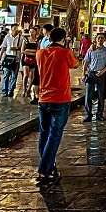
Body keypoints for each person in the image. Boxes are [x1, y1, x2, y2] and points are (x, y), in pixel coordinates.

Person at [35, 27, 78, 184]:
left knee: (44, 133)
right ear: (64, 38)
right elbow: (75, 64)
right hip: (60, 98)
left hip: (43, 99)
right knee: (54, 134)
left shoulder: (40, 53)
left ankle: (50, 168)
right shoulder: (65, 53)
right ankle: (44, 170)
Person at [82, 33, 106, 122]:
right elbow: (86, 62)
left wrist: (102, 72)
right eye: (99, 38)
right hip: (91, 73)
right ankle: (88, 115)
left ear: (104, 40)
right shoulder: (91, 50)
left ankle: (99, 114)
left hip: (101, 74)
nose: (100, 40)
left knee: (101, 95)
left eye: (102, 38)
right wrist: (83, 74)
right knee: (88, 95)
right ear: (96, 39)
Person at [0, 24, 23, 97]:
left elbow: (22, 48)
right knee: (6, 75)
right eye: (14, 28)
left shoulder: (21, 38)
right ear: (11, 29)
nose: (16, 30)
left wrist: (16, 48)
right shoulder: (7, 37)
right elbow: (3, 47)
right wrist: (0, 58)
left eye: (17, 28)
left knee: (14, 76)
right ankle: (4, 91)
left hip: (16, 59)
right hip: (8, 58)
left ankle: (11, 90)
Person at [22, 27, 40, 103]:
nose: (31, 33)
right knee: (26, 75)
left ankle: (29, 89)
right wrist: (32, 52)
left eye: (33, 32)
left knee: (32, 76)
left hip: (34, 60)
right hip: (26, 60)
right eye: (30, 31)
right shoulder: (25, 40)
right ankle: (24, 89)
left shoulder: (37, 41)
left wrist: (28, 50)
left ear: (36, 32)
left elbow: (38, 51)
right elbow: (23, 51)